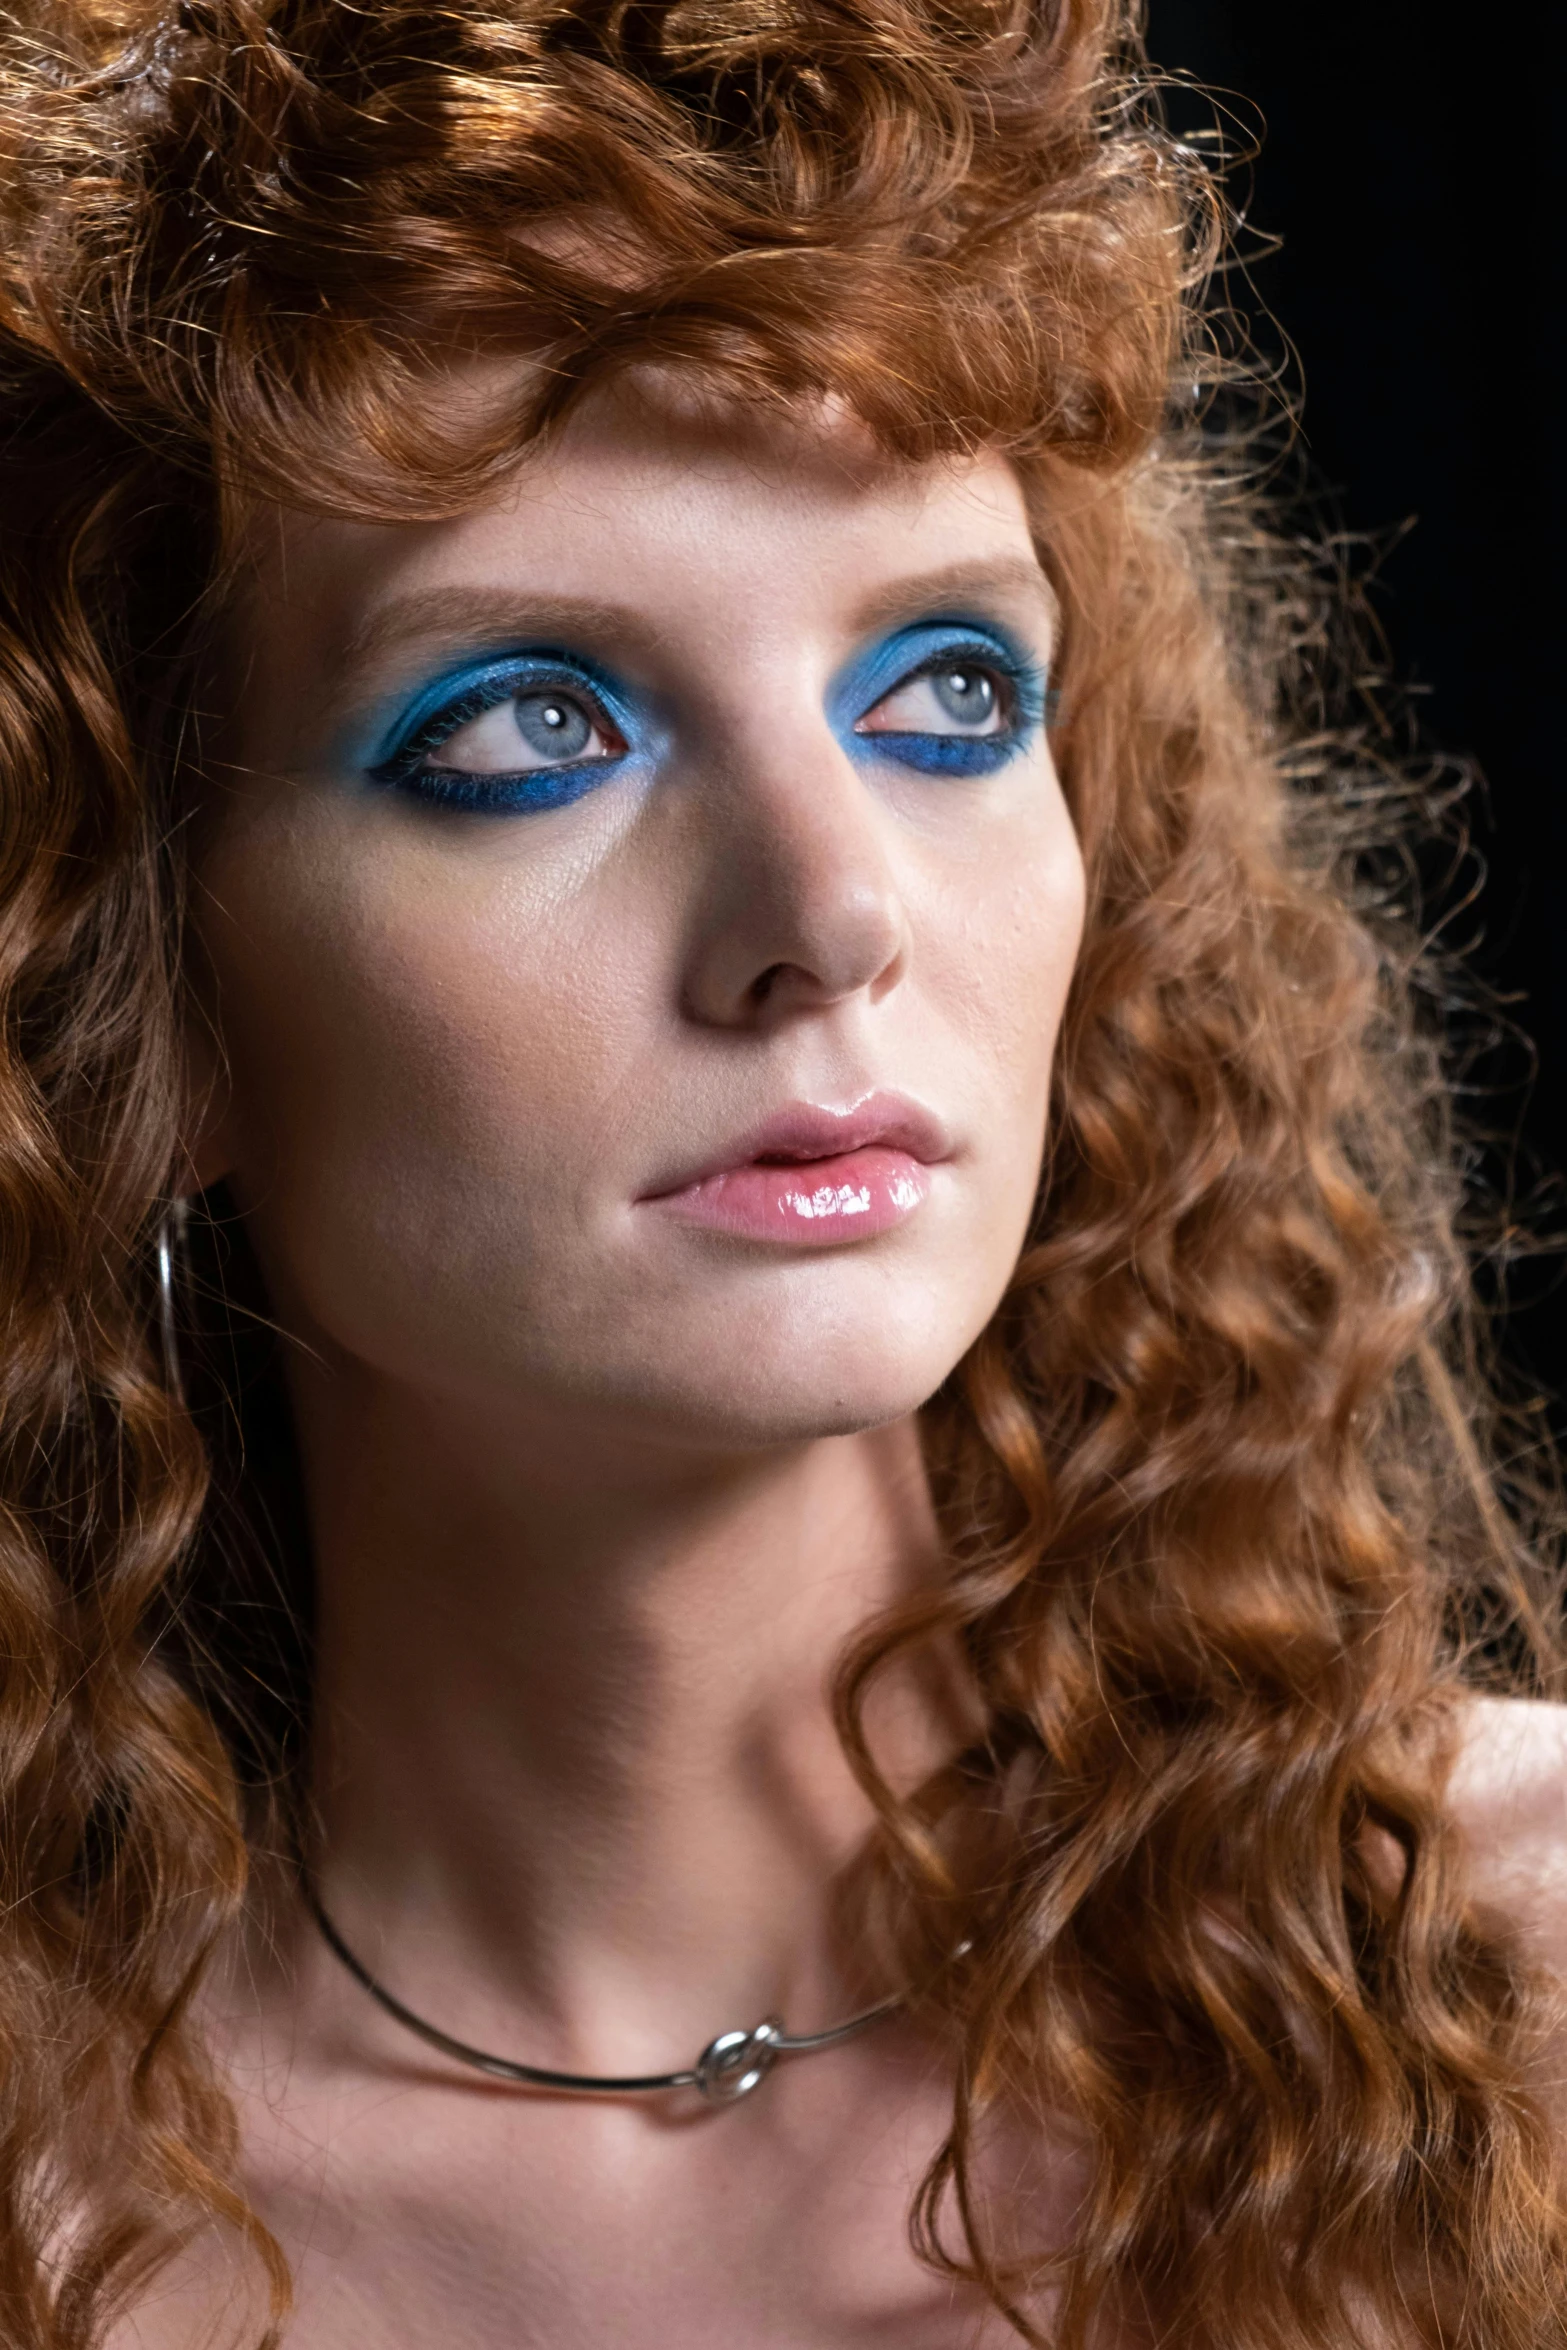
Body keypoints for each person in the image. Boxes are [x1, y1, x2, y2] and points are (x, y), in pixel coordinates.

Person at [0, 1, 1561, 2344]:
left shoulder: (1507, 1991)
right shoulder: (57, 2208)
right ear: (145, 989)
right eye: (532, 722)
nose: (835, 913)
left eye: (946, 689)